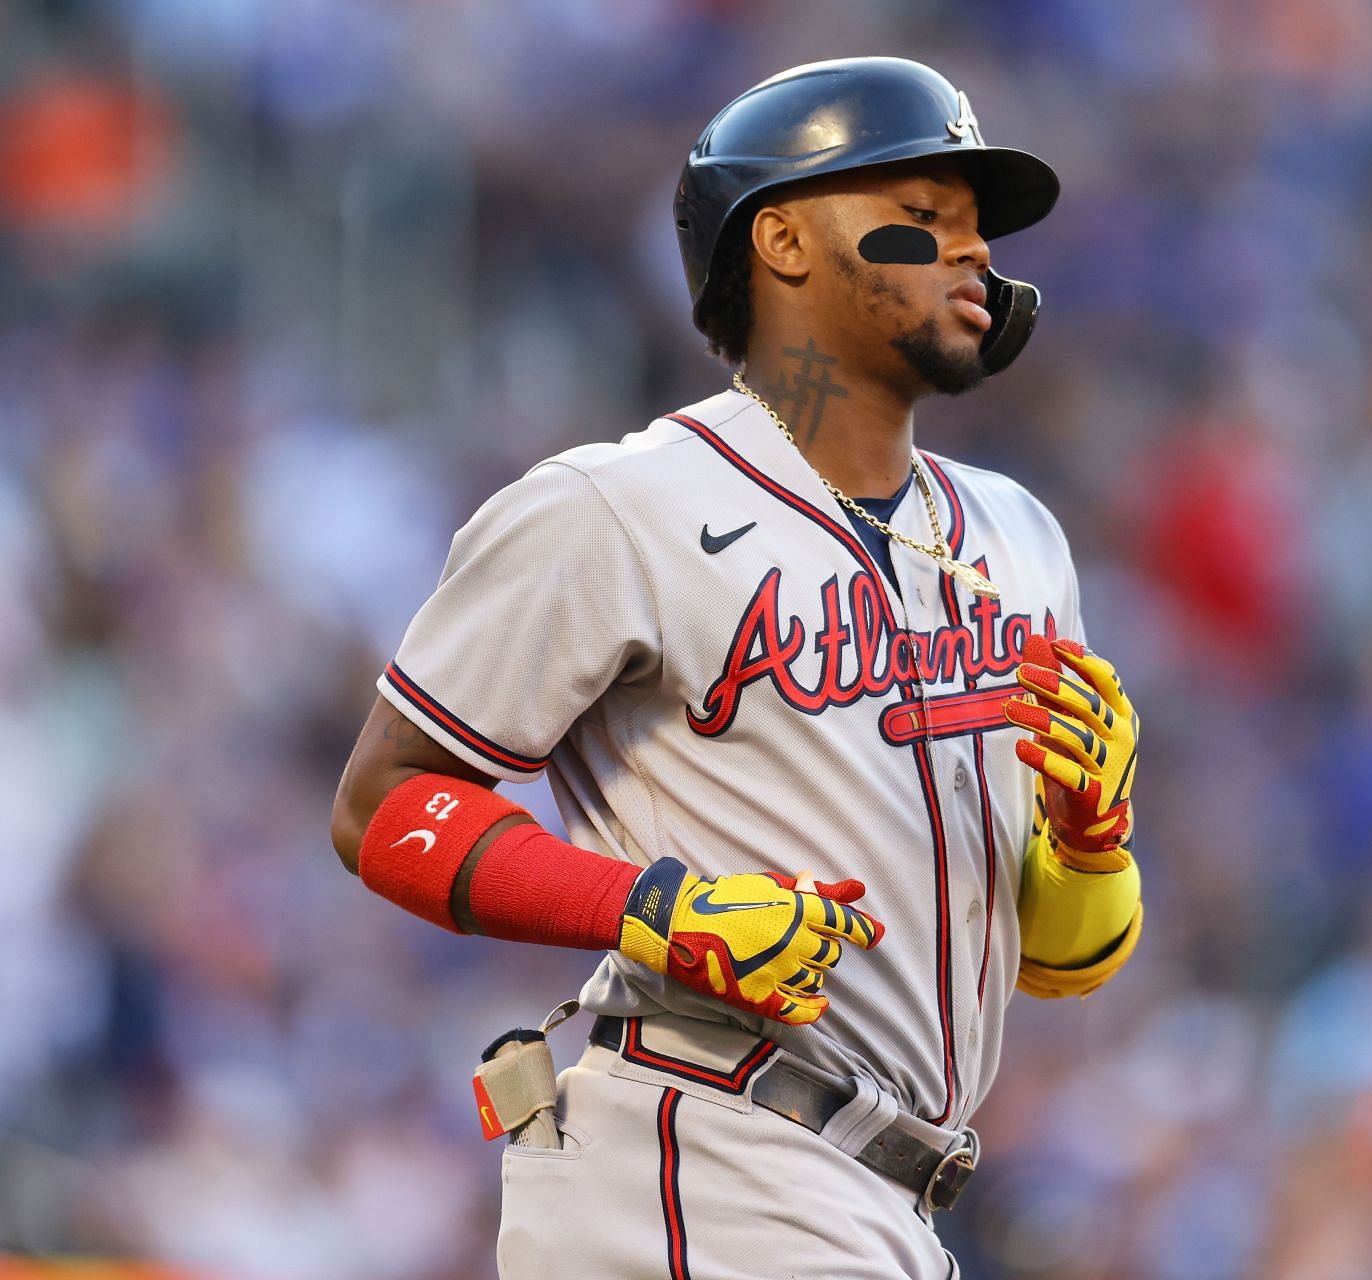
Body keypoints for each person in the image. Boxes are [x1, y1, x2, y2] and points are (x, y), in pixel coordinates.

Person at [328, 57, 1144, 1279]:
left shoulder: (1018, 536)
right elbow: (382, 808)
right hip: (698, 1139)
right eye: (925, 220)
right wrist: (645, 904)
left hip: (893, 1192)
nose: (973, 254)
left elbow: (1051, 959)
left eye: (979, 232)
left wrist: (1089, 844)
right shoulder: (616, 507)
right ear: (785, 243)